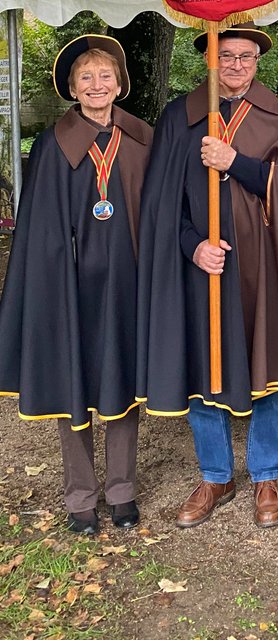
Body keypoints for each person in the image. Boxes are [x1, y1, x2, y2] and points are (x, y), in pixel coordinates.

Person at [137, 24, 278, 529]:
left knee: (267, 366)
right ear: (209, 58)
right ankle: (215, 475)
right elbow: (160, 205)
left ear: (257, 62)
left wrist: (237, 163)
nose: (234, 65)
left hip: (263, 268)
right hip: (204, 268)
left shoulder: (276, 117)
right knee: (206, 370)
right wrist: (193, 247)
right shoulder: (178, 118)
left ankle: (266, 474)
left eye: (245, 57)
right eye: (224, 55)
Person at [0, 35, 153, 534]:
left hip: (126, 283)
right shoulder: (52, 145)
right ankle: (81, 495)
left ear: (119, 83)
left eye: (105, 75)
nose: (96, 84)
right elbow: (40, 226)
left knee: (122, 382)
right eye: (85, 77)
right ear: (71, 86)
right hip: (74, 287)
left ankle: (122, 491)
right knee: (76, 384)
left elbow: (154, 212)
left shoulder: (139, 140)